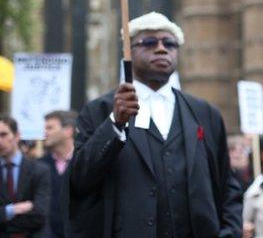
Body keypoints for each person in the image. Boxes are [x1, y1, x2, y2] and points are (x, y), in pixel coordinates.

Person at [67, 12, 243, 238]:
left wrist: (230, 231)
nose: (162, 48)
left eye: (170, 43)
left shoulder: (204, 113)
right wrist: (115, 124)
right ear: (128, 51)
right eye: (149, 42)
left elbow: (227, 183)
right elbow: (80, 179)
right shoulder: (99, 111)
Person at [0, 116, 51, 238]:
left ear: (17, 135)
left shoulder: (39, 170)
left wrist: (3, 217)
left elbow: (39, 215)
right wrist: (13, 210)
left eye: (3, 135)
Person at [40, 110, 77, 238]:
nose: (45, 132)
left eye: (50, 128)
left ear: (68, 130)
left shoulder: (85, 162)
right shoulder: (39, 165)